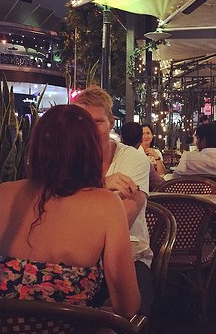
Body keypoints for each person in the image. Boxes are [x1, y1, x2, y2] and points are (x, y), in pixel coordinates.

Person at [0, 105, 140, 318]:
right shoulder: (107, 204)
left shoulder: (3, 194)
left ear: (35, 147)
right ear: (91, 150)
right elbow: (128, 306)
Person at [73, 86, 153, 315]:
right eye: (82, 122)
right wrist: (101, 185)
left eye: (97, 121)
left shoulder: (134, 160)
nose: (88, 129)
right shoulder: (69, 159)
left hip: (128, 254)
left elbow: (122, 222)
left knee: (129, 315)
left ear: (111, 122)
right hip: (76, 258)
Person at [174, 121, 216, 191]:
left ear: (203, 140)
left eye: (197, 138)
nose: (196, 142)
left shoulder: (187, 159)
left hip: (192, 197)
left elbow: (175, 180)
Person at [122, 121, 165, 191]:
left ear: (121, 138)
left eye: (148, 133)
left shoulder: (113, 156)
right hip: (138, 195)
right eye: (143, 134)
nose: (146, 136)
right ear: (141, 139)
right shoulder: (142, 159)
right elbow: (160, 184)